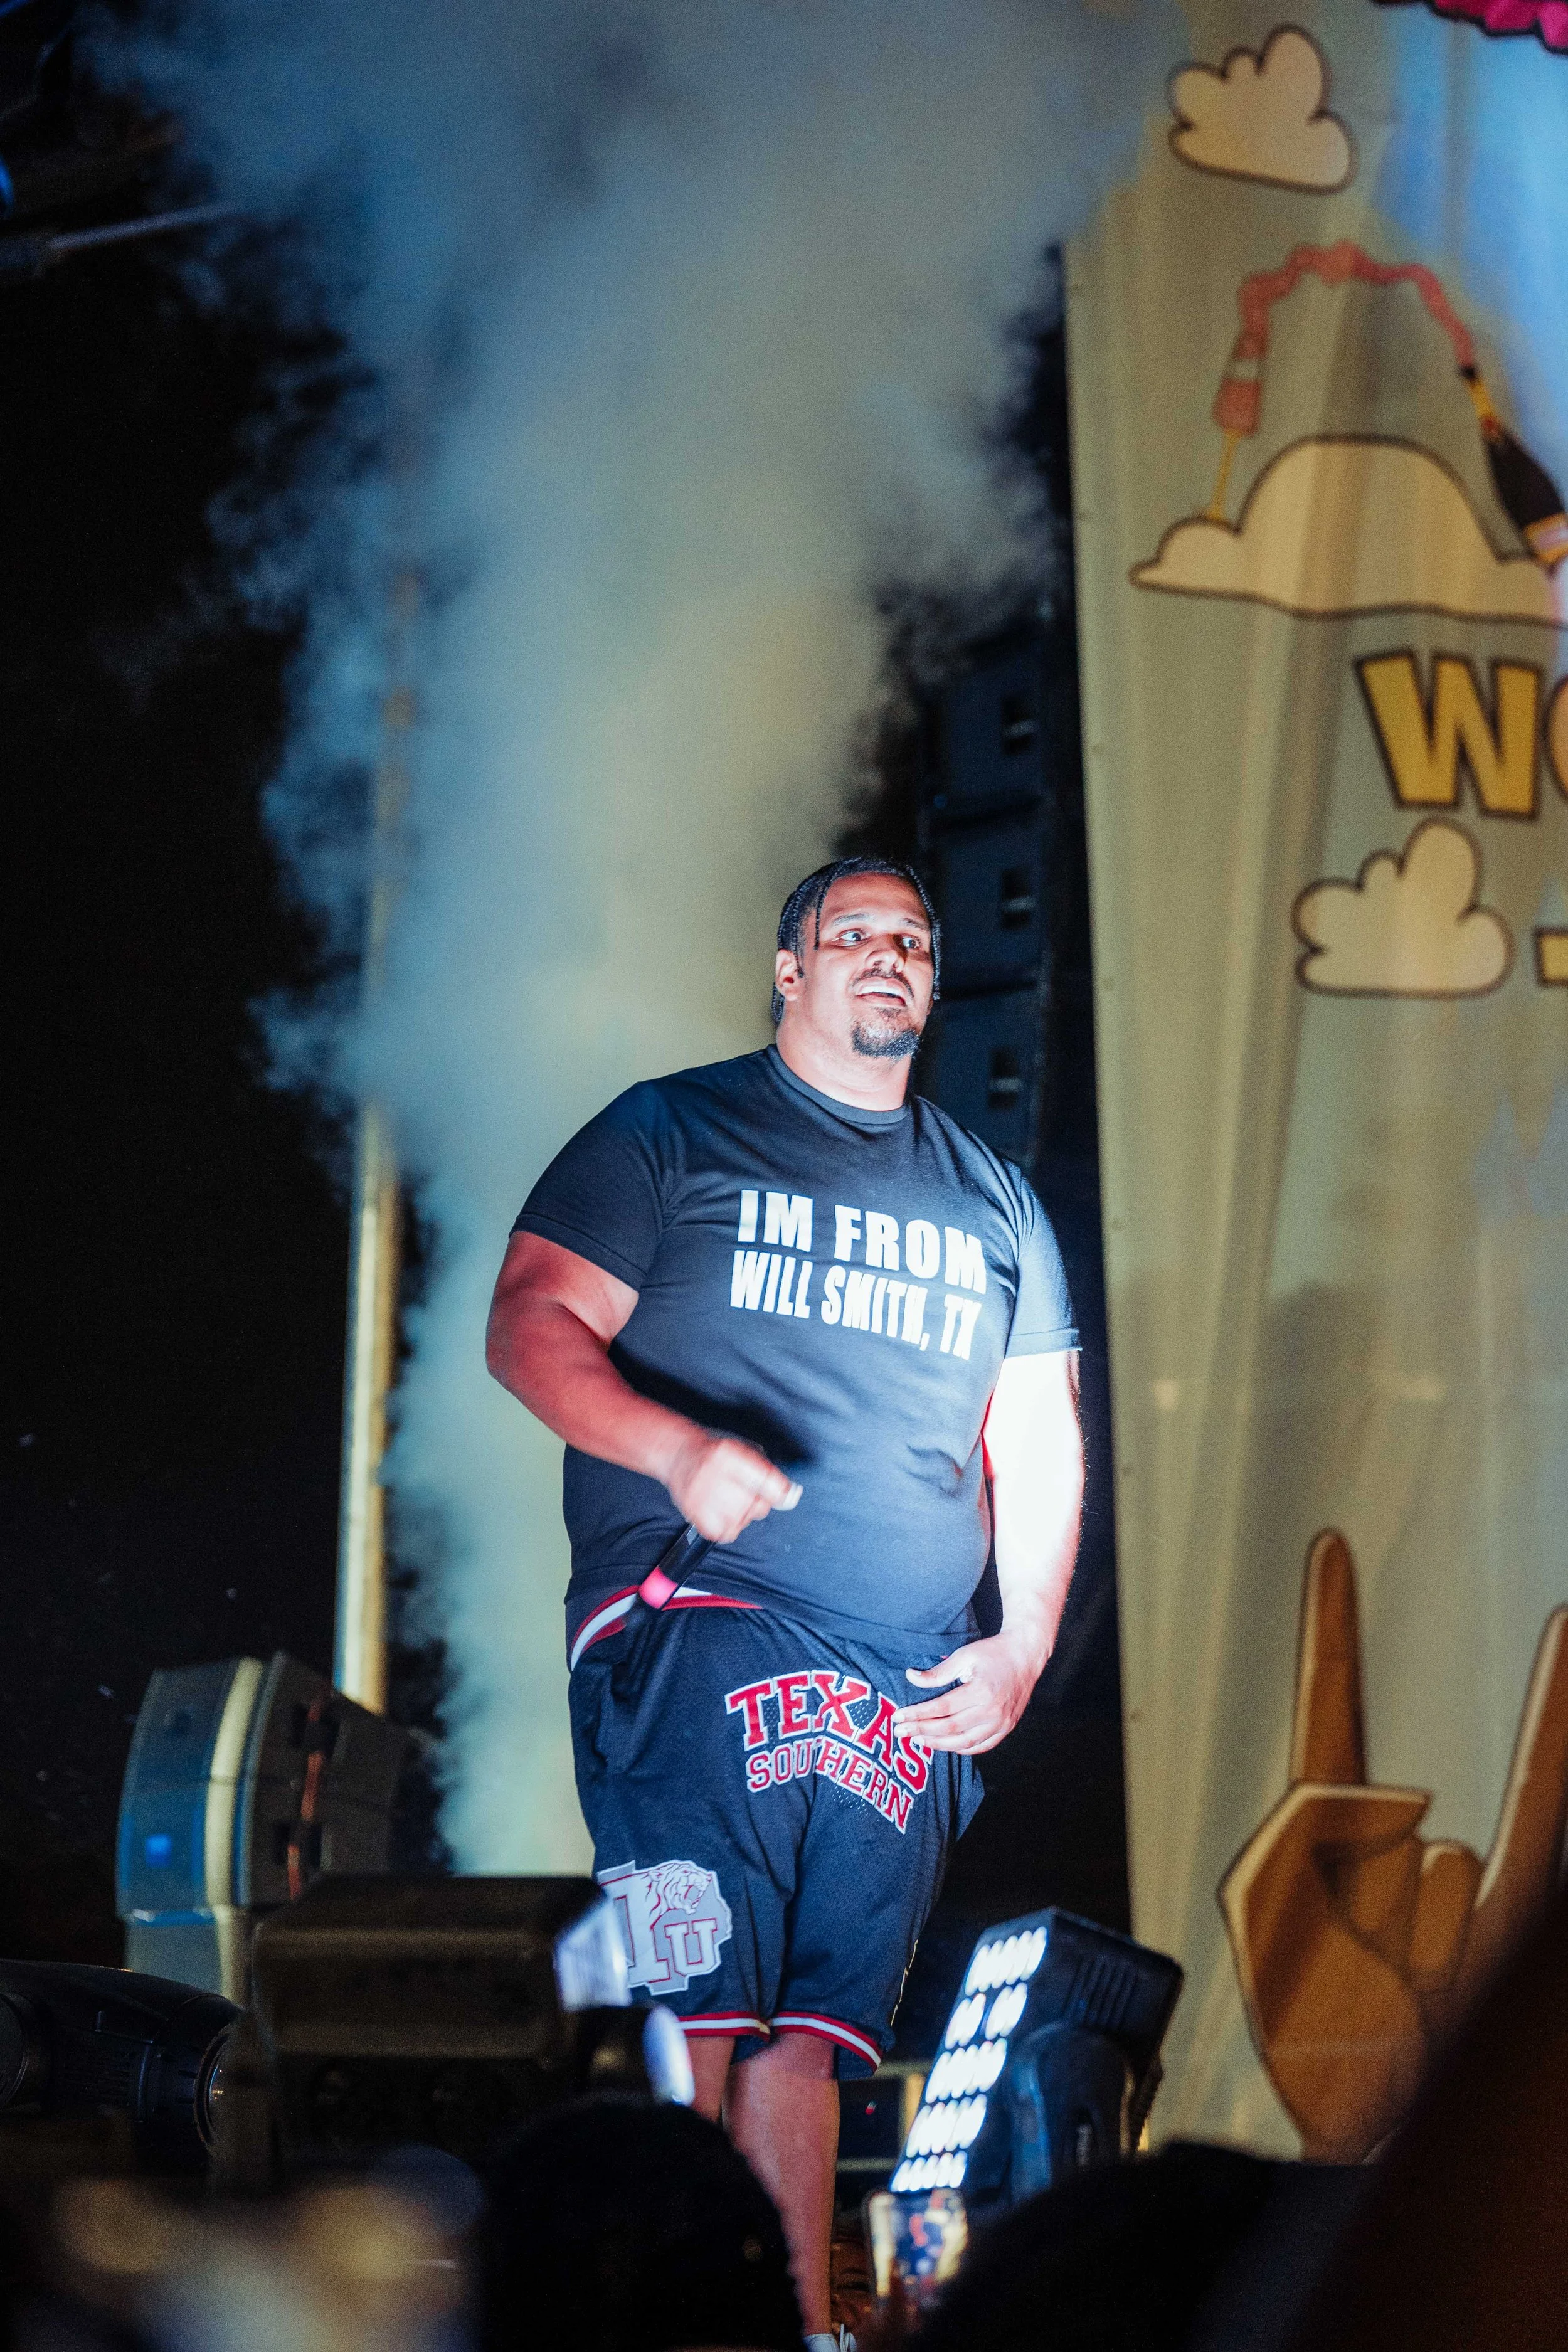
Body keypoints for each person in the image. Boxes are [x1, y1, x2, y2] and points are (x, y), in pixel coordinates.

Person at [485, 856, 1085, 2348]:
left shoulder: (995, 1201)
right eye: (852, 937)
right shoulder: (670, 1129)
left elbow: (1043, 1439)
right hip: (702, 1617)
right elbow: (528, 1323)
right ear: (788, 968)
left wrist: (1018, 1647)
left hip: (902, 1671)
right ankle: (672, 2317)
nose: (887, 960)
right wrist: (675, 1451)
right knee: (701, 2003)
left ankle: (797, 2324)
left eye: (913, 943)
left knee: (817, 2034)